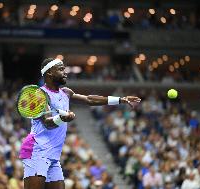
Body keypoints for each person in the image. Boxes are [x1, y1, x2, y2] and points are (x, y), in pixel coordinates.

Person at [19, 58, 141, 189]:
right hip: (37, 151)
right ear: (49, 73)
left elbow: (89, 99)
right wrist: (62, 119)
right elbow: (47, 122)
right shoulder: (39, 94)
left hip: (53, 156)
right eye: (61, 69)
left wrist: (120, 100)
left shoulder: (66, 92)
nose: (65, 72)